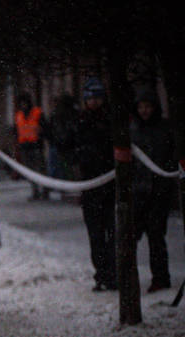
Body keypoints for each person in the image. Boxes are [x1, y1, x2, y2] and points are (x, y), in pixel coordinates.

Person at [130, 87, 175, 292]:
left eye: (147, 106)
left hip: (158, 191)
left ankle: (160, 277)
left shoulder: (165, 129)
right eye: (141, 107)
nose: (144, 111)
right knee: (132, 236)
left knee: (156, 236)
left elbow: (170, 158)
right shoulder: (133, 129)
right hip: (138, 192)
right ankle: (129, 278)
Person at [75, 77, 116, 292]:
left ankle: (113, 274)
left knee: (113, 233)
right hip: (90, 188)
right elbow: (72, 150)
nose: (94, 102)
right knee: (96, 236)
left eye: (97, 98)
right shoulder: (80, 122)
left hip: (110, 187)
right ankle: (101, 274)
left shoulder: (110, 121)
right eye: (90, 99)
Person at [14, 92, 49, 199]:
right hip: (25, 146)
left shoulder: (37, 113)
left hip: (36, 146)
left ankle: (45, 191)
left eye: (24, 103)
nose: (23, 105)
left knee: (40, 169)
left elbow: (44, 128)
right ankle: (36, 191)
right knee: (30, 171)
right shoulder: (19, 115)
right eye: (21, 103)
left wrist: (40, 138)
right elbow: (16, 131)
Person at [47, 93, 80, 199]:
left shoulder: (59, 114)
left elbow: (56, 130)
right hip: (66, 146)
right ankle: (69, 189)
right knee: (66, 168)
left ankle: (68, 189)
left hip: (65, 146)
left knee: (66, 168)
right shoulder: (71, 113)